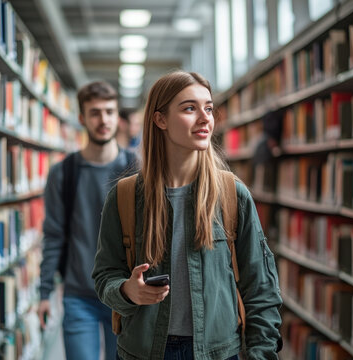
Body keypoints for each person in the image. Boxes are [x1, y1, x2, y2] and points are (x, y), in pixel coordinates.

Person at [92, 71, 282, 360]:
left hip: (217, 352)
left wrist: (261, 354)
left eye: (208, 108)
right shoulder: (125, 197)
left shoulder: (232, 194)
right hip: (143, 352)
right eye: (190, 108)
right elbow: (105, 276)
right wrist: (128, 291)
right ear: (160, 119)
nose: (205, 118)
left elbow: (261, 287)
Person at [38, 81, 137, 360]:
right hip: (78, 295)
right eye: (95, 113)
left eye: (109, 112)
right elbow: (54, 235)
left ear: (118, 117)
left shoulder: (137, 169)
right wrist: (45, 292)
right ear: (82, 118)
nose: (103, 120)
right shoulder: (64, 173)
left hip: (125, 293)